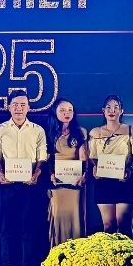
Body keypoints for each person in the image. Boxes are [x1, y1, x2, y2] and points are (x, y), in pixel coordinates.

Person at [0, 91, 48, 266]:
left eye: (23, 104)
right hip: (6, 184)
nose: (19, 108)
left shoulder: (37, 130)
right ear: (8, 106)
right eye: (15, 104)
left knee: (28, 227)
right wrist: (0, 173)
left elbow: (42, 157)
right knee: (6, 227)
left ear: (29, 107)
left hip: (29, 184)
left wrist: (36, 174)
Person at [88, 95, 133, 239]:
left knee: (124, 225)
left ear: (121, 111)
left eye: (116, 107)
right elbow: (93, 157)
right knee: (108, 225)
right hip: (103, 182)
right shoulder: (95, 132)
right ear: (103, 111)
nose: (112, 110)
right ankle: (111, 259)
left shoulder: (131, 130)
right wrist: (95, 168)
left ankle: (128, 260)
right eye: (108, 107)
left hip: (125, 181)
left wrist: (130, 169)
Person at [46, 98, 88, 246]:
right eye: (62, 110)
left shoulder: (81, 132)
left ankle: (75, 258)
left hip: (75, 185)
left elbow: (84, 159)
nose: (67, 113)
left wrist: (84, 176)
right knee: (58, 218)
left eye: (70, 110)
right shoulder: (48, 133)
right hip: (56, 185)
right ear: (55, 112)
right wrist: (50, 174)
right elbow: (46, 159)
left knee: (75, 217)